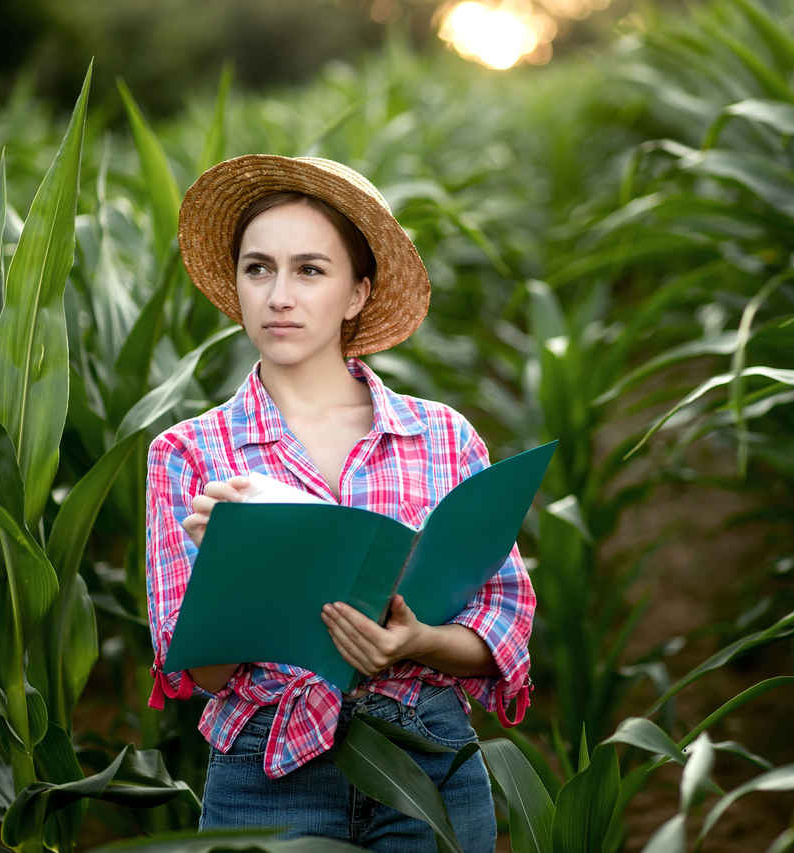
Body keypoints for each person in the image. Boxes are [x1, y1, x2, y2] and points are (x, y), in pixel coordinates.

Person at [145, 154, 535, 852]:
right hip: (266, 774)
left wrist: (414, 642)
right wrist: (240, 561)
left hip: (429, 757)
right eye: (258, 268)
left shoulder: (441, 435)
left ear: (357, 293)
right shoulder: (187, 453)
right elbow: (202, 672)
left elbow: (500, 624)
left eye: (310, 270)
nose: (278, 295)